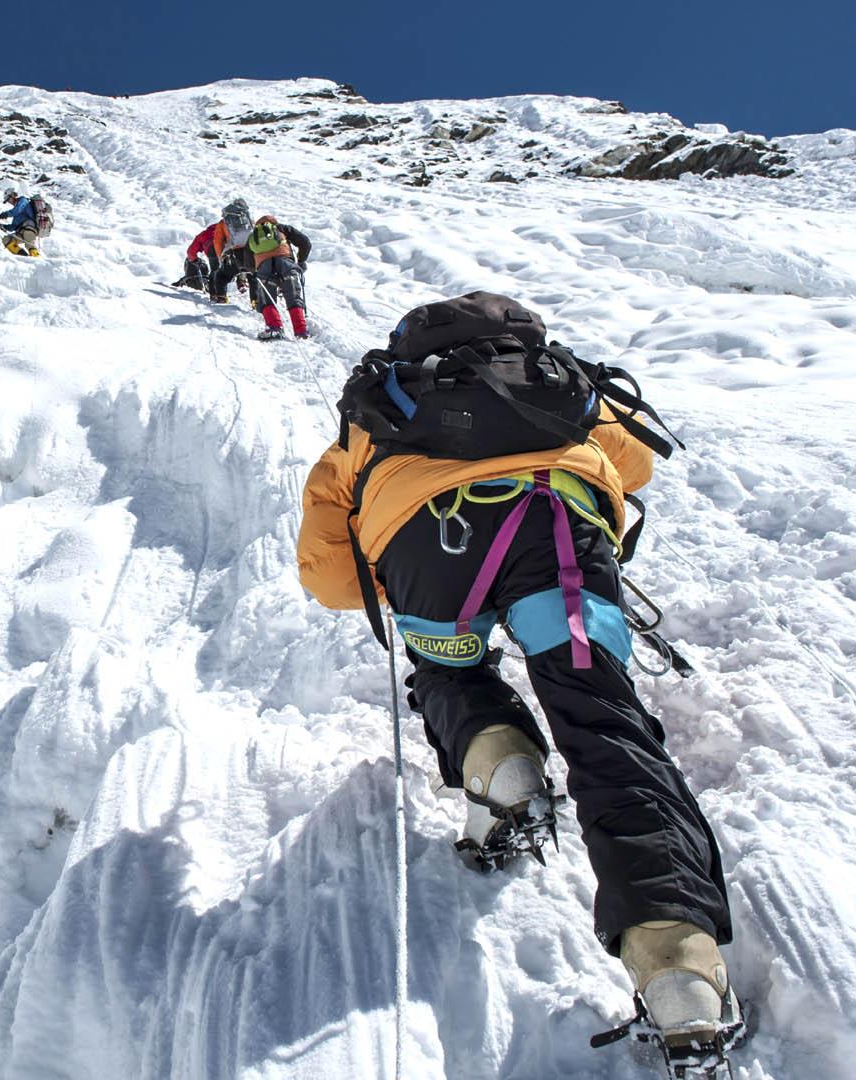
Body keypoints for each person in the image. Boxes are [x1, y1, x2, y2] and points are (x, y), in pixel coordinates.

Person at [296, 292, 735, 1054]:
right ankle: (677, 968)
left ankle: (501, 769)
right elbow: (632, 467)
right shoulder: (553, 381)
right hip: (559, 529)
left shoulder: (378, 409)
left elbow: (332, 579)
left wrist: (396, 562)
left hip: (431, 546)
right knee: (602, 716)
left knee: (451, 675)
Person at [243, 215, 312, 340]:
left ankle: (274, 328)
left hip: (264, 269)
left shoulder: (253, 236)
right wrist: (301, 261)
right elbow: (305, 242)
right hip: (286, 265)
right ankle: (301, 331)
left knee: (266, 300)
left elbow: (247, 263)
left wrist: (257, 269)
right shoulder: (282, 228)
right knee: (293, 297)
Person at [206, 199, 264, 307]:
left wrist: (221, 257)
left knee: (221, 276)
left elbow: (218, 241)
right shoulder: (249, 219)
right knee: (253, 276)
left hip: (234, 254)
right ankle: (255, 302)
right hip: (250, 252)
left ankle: (221, 297)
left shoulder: (224, 222)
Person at [0, 188, 47, 257]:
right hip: (21, 231)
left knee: (29, 245)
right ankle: (24, 258)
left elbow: (16, 211)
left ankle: (38, 262)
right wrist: (1, 226)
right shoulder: (17, 214)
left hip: (29, 229)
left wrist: (2, 215)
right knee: (7, 240)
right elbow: (13, 226)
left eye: (8, 199)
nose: (9, 202)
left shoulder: (23, 201)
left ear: (13, 195)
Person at [173, 219, 221, 290]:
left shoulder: (203, 234)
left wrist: (195, 260)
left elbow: (191, 251)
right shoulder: (225, 229)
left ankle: (215, 292)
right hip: (225, 246)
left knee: (215, 269)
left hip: (211, 248)